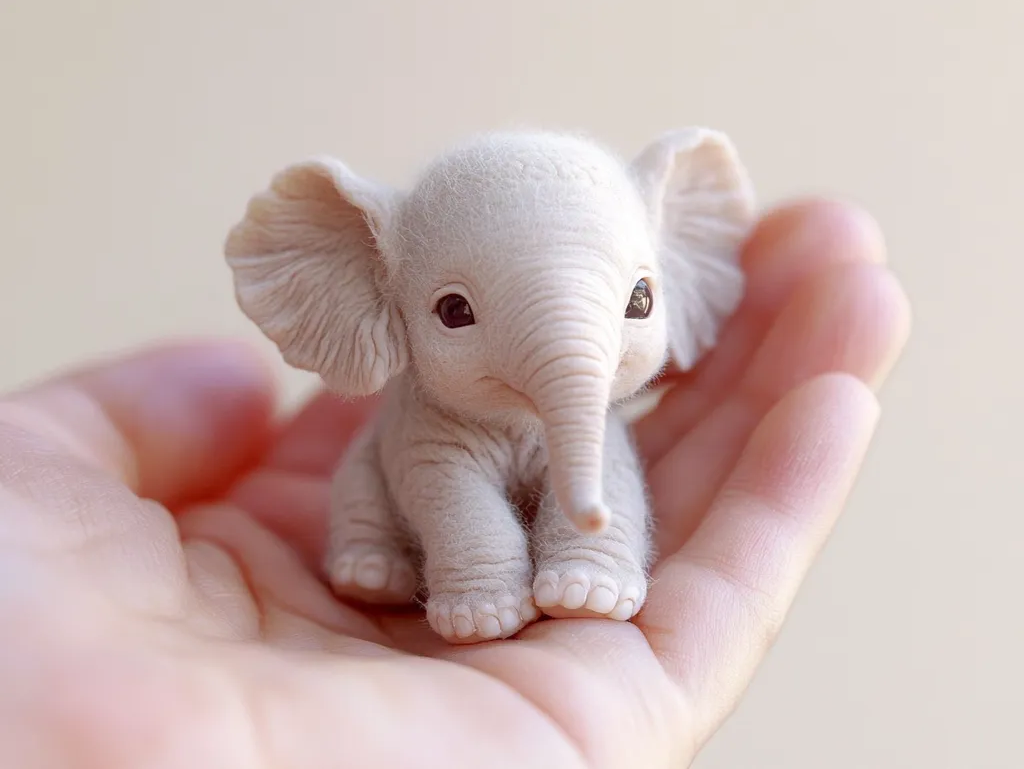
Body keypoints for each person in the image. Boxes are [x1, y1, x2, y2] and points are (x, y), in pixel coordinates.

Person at [0, 200, 909, 768]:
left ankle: (585, 553)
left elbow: (606, 477)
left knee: (602, 482)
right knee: (398, 484)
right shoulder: (421, 412)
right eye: (454, 311)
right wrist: (479, 579)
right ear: (378, 293)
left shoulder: (597, 405)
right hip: (417, 457)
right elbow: (444, 494)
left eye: (636, 300)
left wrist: (592, 551)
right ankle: (382, 546)